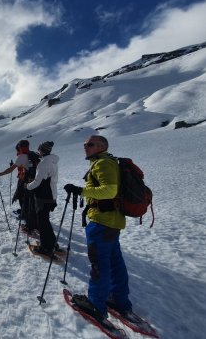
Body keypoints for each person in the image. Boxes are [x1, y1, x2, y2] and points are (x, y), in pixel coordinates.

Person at [64, 135, 133, 322]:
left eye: (90, 144)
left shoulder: (103, 163)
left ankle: (96, 304)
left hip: (102, 221)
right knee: (114, 260)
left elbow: (109, 190)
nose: (85, 147)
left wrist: (81, 190)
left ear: (102, 146)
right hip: (111, 221)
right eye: (84, 144)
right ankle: (119, 300)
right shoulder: (107, 162)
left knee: (99, 263)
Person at [26, 141, 59, 256]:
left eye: (39, 149)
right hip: (51, 194)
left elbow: (38, 182)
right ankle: (52, 243)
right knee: (45, 220)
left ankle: (46, 248)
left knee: (42, 222)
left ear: (42, 150)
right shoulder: (52, 161)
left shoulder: (44, 163)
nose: (38, 151)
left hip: (43, 196)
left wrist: (28, 186)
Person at [0, 140, 34, 222]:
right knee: (27, 197)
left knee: (21, 196)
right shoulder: (31, 154)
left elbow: (10, 170)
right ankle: (25, 211)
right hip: (31, 180)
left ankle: (24, 214)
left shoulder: (21, 156)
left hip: (24, 180)